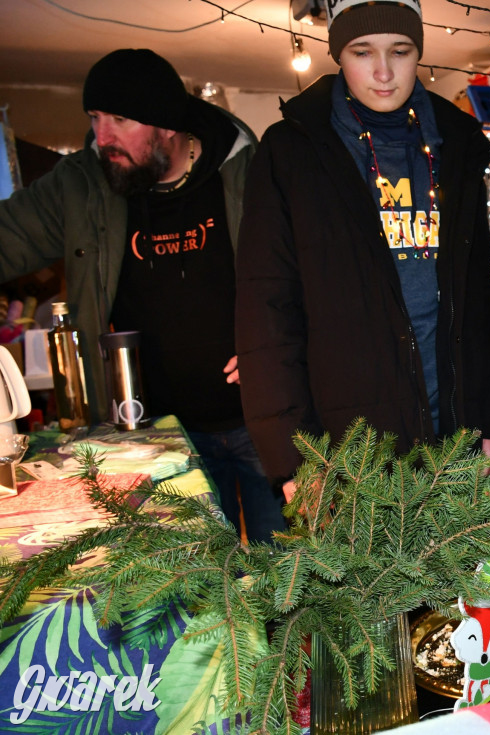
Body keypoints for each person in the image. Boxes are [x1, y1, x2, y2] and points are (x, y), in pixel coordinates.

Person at [235, 0, 490, 486]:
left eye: (400, 51)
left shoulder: (458, 146)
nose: (383, 72)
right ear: (338, 53)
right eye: (363, 52)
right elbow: (268, 315)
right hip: (346, 450)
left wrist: (487, 422)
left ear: (419, 53)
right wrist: (293, 462)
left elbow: (477, 302)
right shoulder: (292, 153)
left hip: (453, 436)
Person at [0, 48, 286, 543]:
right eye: (94, 118)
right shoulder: (83, 185)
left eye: (119, 119)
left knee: (287, 579)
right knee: (196, 590)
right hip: (158, 435)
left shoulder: (250, 171)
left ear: (168, 125)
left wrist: (279, 343)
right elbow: (8, 237)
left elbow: (307, 275)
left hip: (262, 422)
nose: (100, 137)